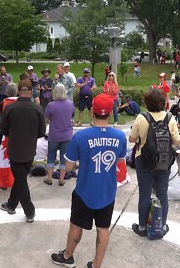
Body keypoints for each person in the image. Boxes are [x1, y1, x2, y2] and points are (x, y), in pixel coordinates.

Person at [50, 94, 127, 268]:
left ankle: (68, 256)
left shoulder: (81, 136)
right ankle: (96, 265)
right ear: (110, 113)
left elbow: (68, 167)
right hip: (107, 191)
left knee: (76, 225)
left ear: (92, 111)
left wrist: (80, 164)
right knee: (103, 228)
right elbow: (120, 161)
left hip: (84, 191)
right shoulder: (120, 136)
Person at [129, 89, 180, 238]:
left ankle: (142, 226)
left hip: (143, 160)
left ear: (147, 103)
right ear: (163, 103)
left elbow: (132, 139)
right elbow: (176, 141)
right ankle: (162, 226)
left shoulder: (141, 118)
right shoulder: (170, 118)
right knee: (162, 194)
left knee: (144, 194)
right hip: (164, 160)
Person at [0, 79, 46, 223]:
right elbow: (41, 132)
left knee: (20, 179)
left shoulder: (10, 108)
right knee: (21, 178)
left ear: (19, 91)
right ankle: (12, 204)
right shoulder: (38, 109)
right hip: (30, 149)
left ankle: (29, 211)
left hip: (15, 150)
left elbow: (4, 129)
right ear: (31, 92)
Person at [0, 83, 19, 190]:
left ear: (6, 92)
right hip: (19, 135)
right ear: (17, 91)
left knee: (4, 159)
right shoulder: (23, 103)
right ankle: (17, 180)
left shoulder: (2, 104)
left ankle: (4, 182)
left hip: (5, 135)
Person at [44, 84, 74, 186]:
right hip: (67, 135)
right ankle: (61, 179)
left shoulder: (51, 105)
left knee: (51, 156)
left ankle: (49, 178)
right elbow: (72, 115)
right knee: (63, 158)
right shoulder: (70, 104)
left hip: (54, 135)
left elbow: (46, 119)